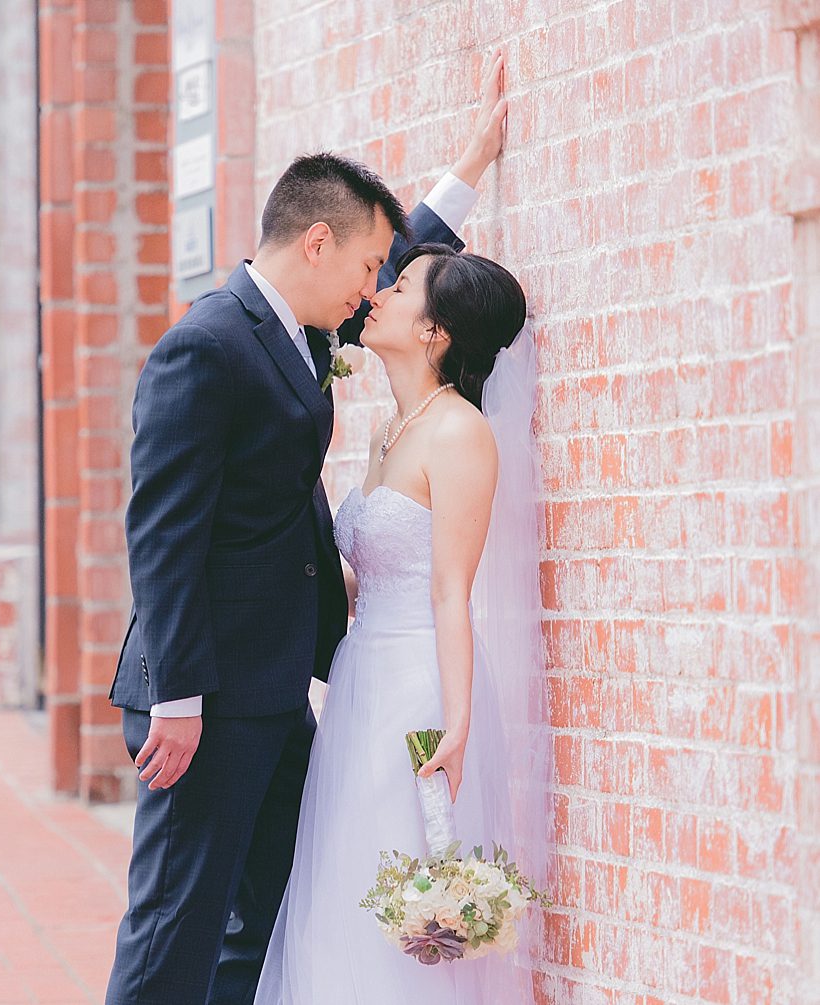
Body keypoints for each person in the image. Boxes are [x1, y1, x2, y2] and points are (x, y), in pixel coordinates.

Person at [104, 54, 511, 1005]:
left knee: (272, 916)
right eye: (370, 267)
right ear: (317, 243)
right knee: (176, 924)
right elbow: (160, 532)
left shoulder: (304, 332)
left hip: (280, 685)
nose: (377, 290)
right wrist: (179, 698)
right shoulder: (207, 345)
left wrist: (473, 163)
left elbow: (421, 279)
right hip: (202, 697)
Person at [252, 243, 545, 1003]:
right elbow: (370, 571)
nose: (378, 293)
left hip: (416, 687)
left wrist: (456, 722)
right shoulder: (391, 427)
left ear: (434, 331)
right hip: (359, 682)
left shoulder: (458, 433)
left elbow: (450, 589)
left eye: (402, 284)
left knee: (400, 881)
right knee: (348, 874)